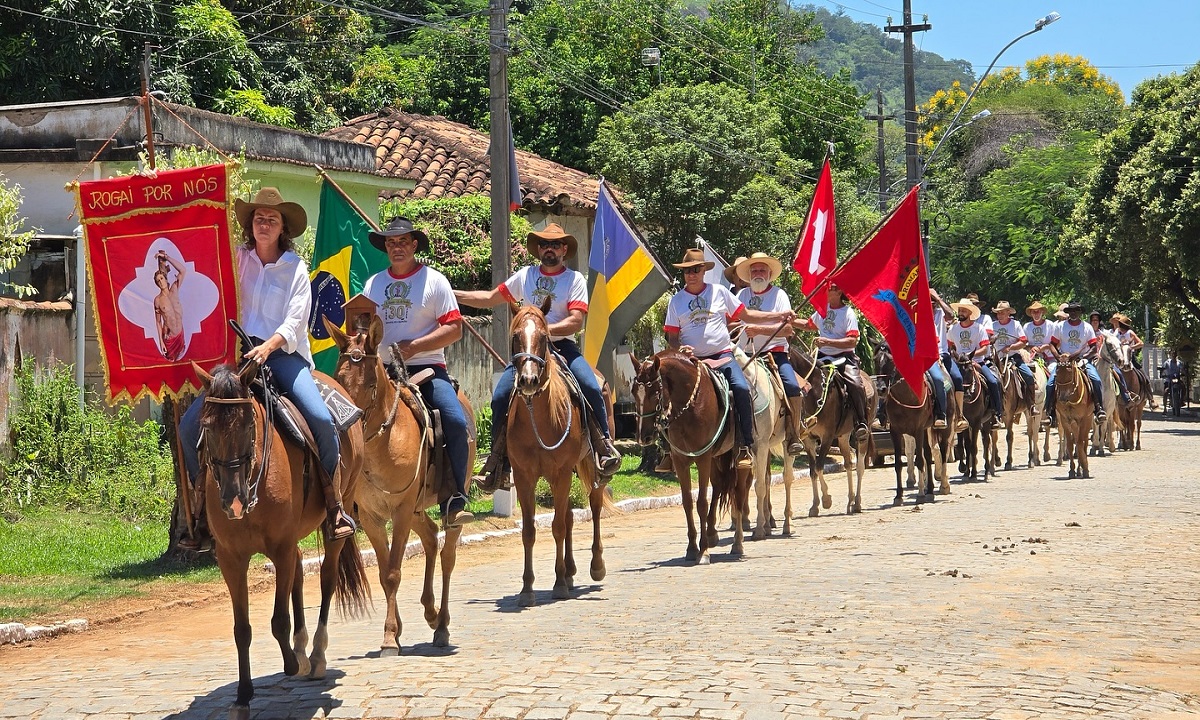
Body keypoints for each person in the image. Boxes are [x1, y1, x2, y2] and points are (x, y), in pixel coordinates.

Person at [180, 187, 355, 540]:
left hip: (283, 356)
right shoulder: (235, 259)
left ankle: (334, 506)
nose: (264, 224)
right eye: (259, 218)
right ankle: (200, 508)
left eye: (271, 220)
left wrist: (269, 346)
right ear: (251, 225)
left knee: (321, 419)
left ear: (282, 228)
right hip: (237, 359)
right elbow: (204, 283)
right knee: (188, 426)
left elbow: (295, 320)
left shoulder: (295, 269)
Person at [457, 223, 620, 490]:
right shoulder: (525, 276)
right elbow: (489, 297)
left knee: (590, 386)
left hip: (562, 348)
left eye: (555, 245)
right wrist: (451, 294)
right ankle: (496, 463)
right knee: (499, 396)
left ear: (564, 250)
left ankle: (603, 448)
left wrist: (543, 329)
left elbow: (576, 321)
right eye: (544, 245)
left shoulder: (574, 279)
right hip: (529, 351)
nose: (549, 249)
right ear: (538, 250)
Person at [361, 217, 474, 528]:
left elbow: (454, 329)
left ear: (414, 245)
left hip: (426, 368)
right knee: (347, 416)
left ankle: (456, 497)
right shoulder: (373, 285)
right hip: (382, 371)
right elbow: (361, 325)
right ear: (386, 247)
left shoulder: (435, 281)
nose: (397, 247)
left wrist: (414, 347)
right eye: (391, 242)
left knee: (453, 417)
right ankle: (350, 498)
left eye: (403, 242)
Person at [664, 248, 795, 470]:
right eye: (687, 271)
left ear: (704, 270)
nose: (691, 274)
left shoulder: (719, 293)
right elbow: (672, 336)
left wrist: (780, 315)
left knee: (742, 389)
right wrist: (679, 348)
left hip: (722, 355)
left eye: (696, 269)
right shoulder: (676, 301)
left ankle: (745, 445)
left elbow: (746, 316)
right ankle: (669, 449)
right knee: (665, 393)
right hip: (692, 362)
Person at [734, 252, 805, 453]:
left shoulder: (779, 295)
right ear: (748, 274)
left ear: (769, 273)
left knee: (792, 386)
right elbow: (732, 319)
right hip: (744, 355)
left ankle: (794, 434)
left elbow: (788, 330)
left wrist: (759, 330)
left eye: (762, 270)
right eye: (754, 270)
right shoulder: (741, 296)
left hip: (774, 354)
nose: (758, 273)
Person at [795, 283, 872, 444]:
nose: (830, 289)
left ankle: (861, 421)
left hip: (844, 358)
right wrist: (790, 321)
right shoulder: (823, 310)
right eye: (829, 287)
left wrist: (827, 341)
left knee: (856, 384)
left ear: (841, 291)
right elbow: (809, 325)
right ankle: (801, 421)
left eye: (834, 287)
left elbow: (852, 341)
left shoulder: (848, 313)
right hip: (821, 357)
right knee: (801, 380)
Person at [1043, 300, 1106, 426]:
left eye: (1076, 311)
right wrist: (1058, 357)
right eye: (1071, 311)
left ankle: (1099, 409)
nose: (1073, 313)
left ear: (1080, 312)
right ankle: (1049, 412)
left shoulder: (1087, 327)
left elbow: (1093, 347)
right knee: (1050, 383)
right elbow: (1052, 344)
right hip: (1064, 361)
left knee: (1096, 380)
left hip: (1082, 360)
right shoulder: (1060, 326)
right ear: (1068, 313)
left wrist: (1084, 358)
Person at [947, 297, 1004, 426]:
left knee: (993, 381)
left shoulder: (979, 328)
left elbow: (985, 349)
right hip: (958, 363)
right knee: (946, 383)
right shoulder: (953, 329)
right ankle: (945, 413)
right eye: (960, 310)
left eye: (964, 311)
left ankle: (997, 413)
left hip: (977, 361)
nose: (960, 313)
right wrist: (956, 356)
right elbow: (950, 346)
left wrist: (970, 356)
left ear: (970, 313)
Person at [990, 301, 1037, 411]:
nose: (999, 315)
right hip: (996, 359)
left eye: (1002, 312)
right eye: (998, 313)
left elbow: (1023, 341)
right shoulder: (993, 325)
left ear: (1008, 312)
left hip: (1013, 357)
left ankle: (1031, 404)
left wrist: (1010, 347)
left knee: (1028, 375)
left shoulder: (1015, 324)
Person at [932, 289, 967, 432]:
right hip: (926, 356)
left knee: (958, 378)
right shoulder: (917, 313)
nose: (932, 303)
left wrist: (939, 299)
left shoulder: (941, 313)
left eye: (933, 301)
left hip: (943, 354)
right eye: (929, 300)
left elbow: (951, 315)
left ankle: (959, 415)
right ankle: (884, 415)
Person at [153, 250, 186, 361]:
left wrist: (166, 257)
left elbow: (182, 270)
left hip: (180, 334)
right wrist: (161, 342)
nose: (160, 282)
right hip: (170, 338)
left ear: (165, 278)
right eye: (158, 281)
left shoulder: (174, 289)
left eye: (161, 278)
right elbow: (158, 321)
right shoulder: (158, 300)